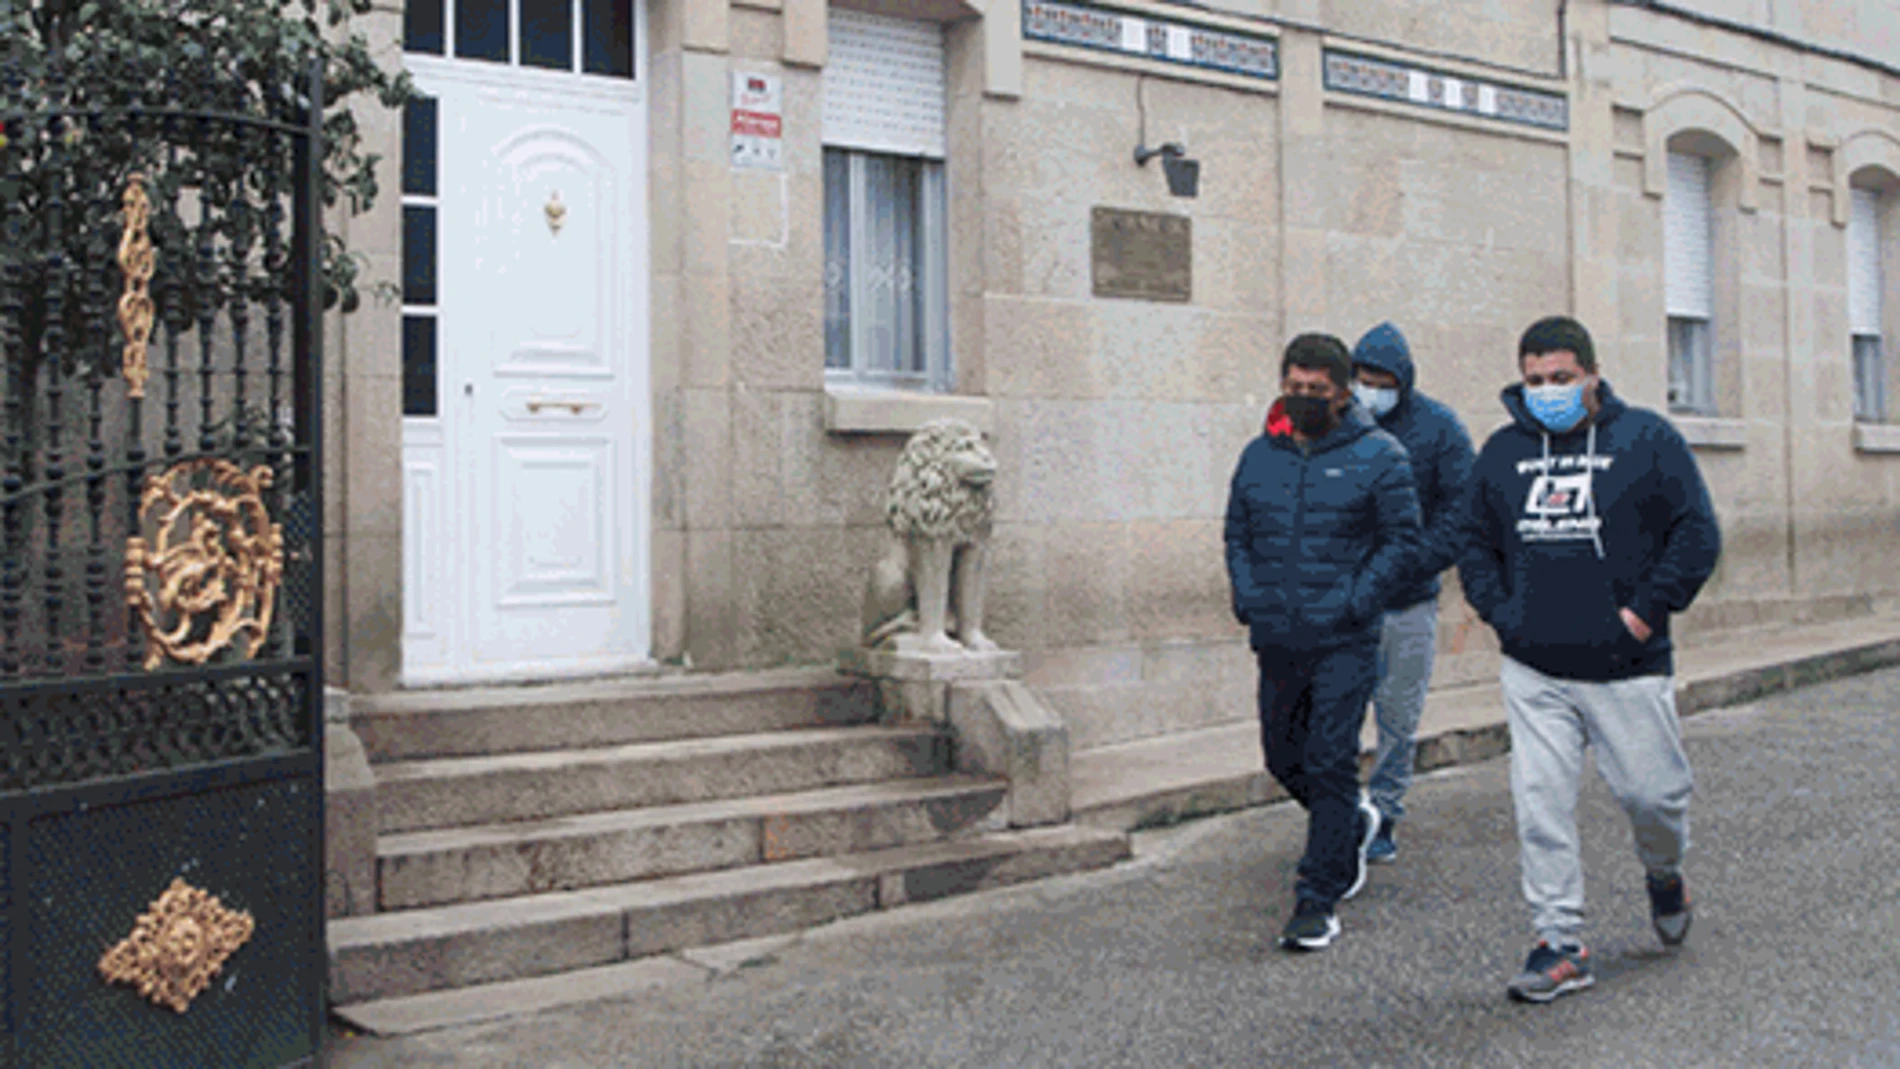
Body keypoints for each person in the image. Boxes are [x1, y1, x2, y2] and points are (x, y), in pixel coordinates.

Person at [1458, 315, 1721, 1002]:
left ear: (1593, 376)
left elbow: (1697, 534)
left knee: (1652, 797)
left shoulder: (1647, 440)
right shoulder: (1502, 454)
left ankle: (1664, 873)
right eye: (1535, 379)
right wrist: (1502, 614)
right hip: (1535, 667)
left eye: (1561, 378)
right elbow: (1473, 543)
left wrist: (1641, 614)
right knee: (1540, 803)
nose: (1547, 390)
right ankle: (1559, 941)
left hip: (1625, 665)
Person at [1224, 332, 1423, 952]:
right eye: (1294, 388)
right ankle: (1350, 823)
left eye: (1316, 390)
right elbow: (1237, 533)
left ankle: (1318, 897)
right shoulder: (1260, 455)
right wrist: (1248, 596)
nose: (1304, 398)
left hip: (1344, 638)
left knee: (1329, 756)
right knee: (1283, 757)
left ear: (1340, 393)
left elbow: (1402, 542)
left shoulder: (1381, 455)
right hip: (1278, 634)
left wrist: (1357, 601)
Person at [1349, 323, 1476, 864]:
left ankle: (1385, 813)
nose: (1370, 391)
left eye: (1381, 381)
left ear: (1402, 381)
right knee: (1337, 716)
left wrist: (1411, 563)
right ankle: (1342, 813)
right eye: (1362, 380)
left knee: (1398, 718)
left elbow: (1460, 512)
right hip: (1349, 603)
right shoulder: (1341, 422)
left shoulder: (1439, 428)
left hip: (1409, 601)